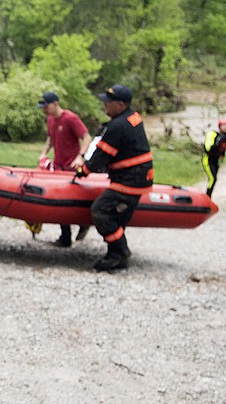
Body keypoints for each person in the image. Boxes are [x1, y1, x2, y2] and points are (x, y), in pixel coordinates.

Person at [75, 84, 153, 271]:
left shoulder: (117, 126)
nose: (105, 106)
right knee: (118, 217)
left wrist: (83, 170)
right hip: (141, 177)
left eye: (108, 103)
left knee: (101, 211)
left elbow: (101, 156)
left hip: (130, 180)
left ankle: (119, 253)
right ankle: (116, 254)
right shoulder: (133, 116)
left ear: (120, 104)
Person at [38, 91, 93, 247]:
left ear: (55, 104)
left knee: (72, 201)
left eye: (46, 106)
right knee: (59, 202)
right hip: (58, 166)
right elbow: (50, 137)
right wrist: (44, 152)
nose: (44, 110)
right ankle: (65, 237)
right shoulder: (50, 119)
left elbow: (87, 137)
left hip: (72, 167)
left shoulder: (70, 118)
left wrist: (80, 156)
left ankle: (84, 224)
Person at [202, 118, 226, 198]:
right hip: (208, 159)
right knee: (213, 178)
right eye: (223, 125)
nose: (225, 127)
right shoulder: (213, 134)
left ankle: (208, 196)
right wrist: (218, 141)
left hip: (217, 160)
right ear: (220, 126)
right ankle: (207, 197)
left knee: (213, 179)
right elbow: (208, 148)